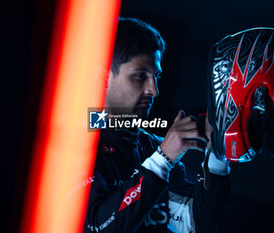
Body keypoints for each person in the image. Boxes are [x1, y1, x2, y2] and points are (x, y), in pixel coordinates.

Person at [84, 17, 231, 233]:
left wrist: (217, 152)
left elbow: (193, 225)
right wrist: (162, 159)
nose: (154, 90)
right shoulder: (68, 143)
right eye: (140, 76)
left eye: (157, 76)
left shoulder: (152, 146)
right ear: (104, 75)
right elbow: (97, 227)